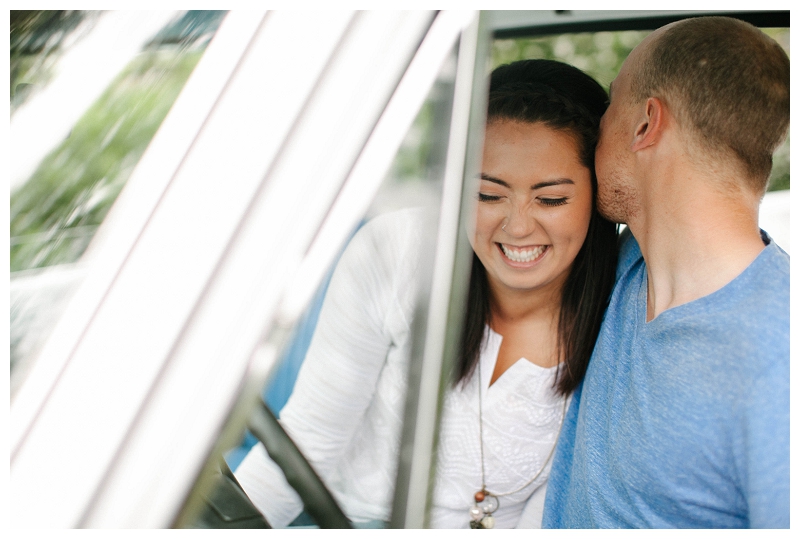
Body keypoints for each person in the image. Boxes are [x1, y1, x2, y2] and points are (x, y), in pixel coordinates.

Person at [235, 59, 618, 528]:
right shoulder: (397, 251)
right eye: (488, 194)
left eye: (551, 199)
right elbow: (309, 437)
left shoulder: (621, 306)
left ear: (597, 197)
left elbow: (558, 502)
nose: (517, 227)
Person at [542, 16, 789, 529]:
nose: (596, 132)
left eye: (611, 105)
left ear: (645, 123)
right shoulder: (626, 265)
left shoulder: (779, 357)